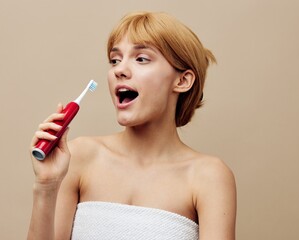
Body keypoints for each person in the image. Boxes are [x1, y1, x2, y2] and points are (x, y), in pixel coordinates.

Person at [28, 11, 237, 240]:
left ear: (182, 80)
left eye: (141, 59)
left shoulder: (208, 176)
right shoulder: (79, 157)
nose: (119, 70)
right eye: (115, 60)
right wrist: (46, 186)